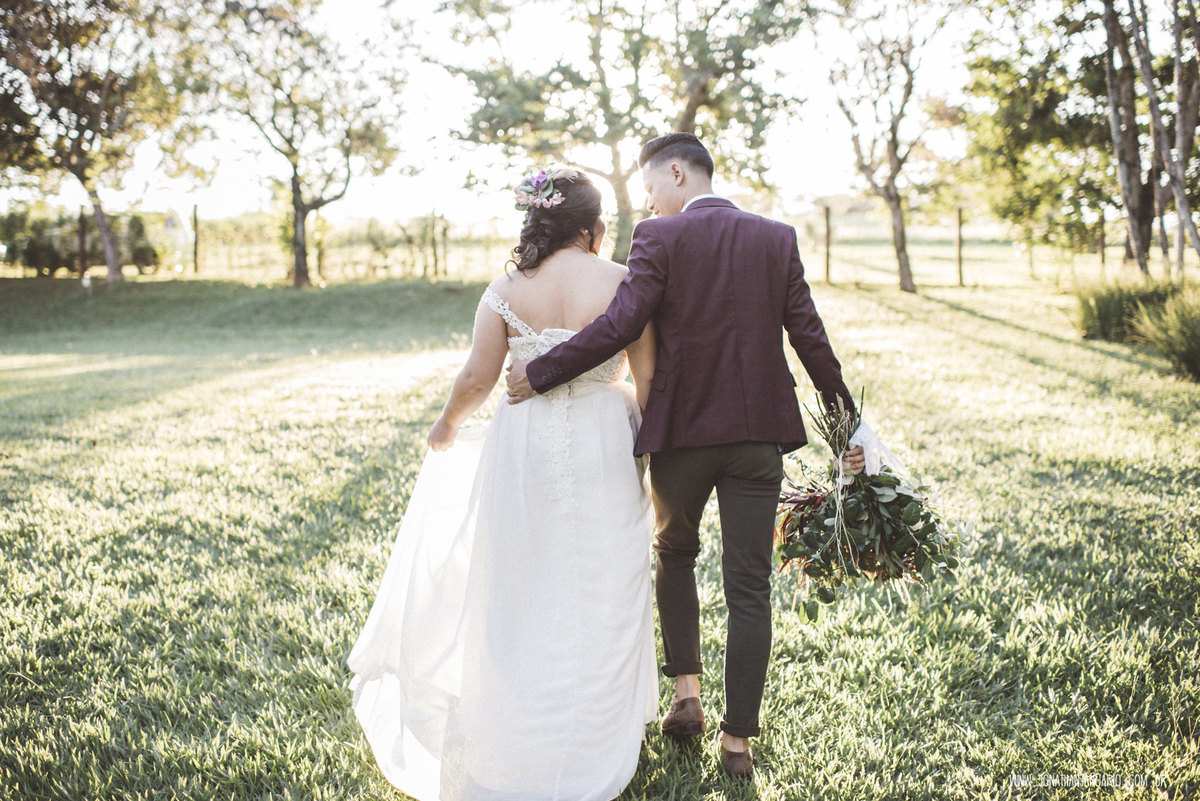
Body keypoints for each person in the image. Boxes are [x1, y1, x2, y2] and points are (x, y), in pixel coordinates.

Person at [506, 133, 865, 777]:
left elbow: (619, 326)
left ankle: (687, 697)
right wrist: (849, 432)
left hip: (682, 437)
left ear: (676, 172)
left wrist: (543, 371)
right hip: (757, 439)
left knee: (674, 555)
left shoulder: (658, 240)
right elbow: (810, 338)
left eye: (650, 189)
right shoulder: (775, 237)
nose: (649, 203)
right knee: (749, 582)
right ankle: (737, 743)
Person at [348, 167, 659, 801]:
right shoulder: (625, 283)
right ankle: (597, 728)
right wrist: (649, 452)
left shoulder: (503, 290)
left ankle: (515, 714)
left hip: (525, 444)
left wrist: (446, 425)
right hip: (605, 439)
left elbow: (476, 379)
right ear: (590, 229)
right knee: (605, 579)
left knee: (521, 578)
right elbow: (650, 382)